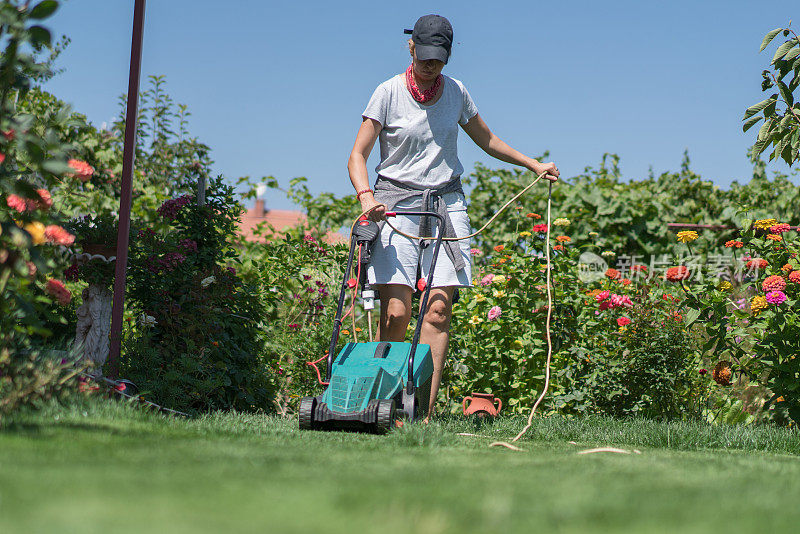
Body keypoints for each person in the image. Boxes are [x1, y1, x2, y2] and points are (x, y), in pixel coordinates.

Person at [346, 14, 559, 419]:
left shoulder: (457, 93)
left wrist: (534, 165)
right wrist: (365, 196)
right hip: (394, 205)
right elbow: (357, 155)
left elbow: (489, 140)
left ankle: (421, 415)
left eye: (438, 60)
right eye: (424, 57)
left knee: (438, 309)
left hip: (446, 205)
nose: (430, 67)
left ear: (447, 56)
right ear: (411, 49)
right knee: (396, 312)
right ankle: (381, 402)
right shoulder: (387, 92)